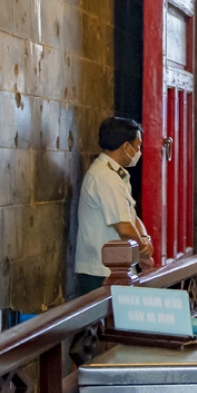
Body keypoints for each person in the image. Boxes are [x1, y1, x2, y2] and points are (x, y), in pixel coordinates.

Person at [74, 117, 154, 295]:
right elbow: (124, 228)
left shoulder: (116, 174)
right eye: (138, 146)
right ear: (126, 147)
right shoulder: (105, 176)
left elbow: (131, 216)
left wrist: (144, 238)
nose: (139, 152)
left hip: (115, 268)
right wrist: (143, 252)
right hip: (101, 271)